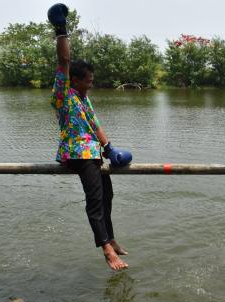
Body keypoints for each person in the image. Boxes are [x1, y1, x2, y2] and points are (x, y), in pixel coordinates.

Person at [48, 4, 131, 271]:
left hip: (93, 154)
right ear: (74, 80)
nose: (91, 84)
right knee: (94, 200)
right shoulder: (64, 95)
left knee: (107, 196)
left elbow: (96, 126)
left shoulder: (85, 99)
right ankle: (106, 249)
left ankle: (112, 238)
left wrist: (110, 148)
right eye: (89, 80)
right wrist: (62, 31)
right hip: (77, 155)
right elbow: (63, 61)